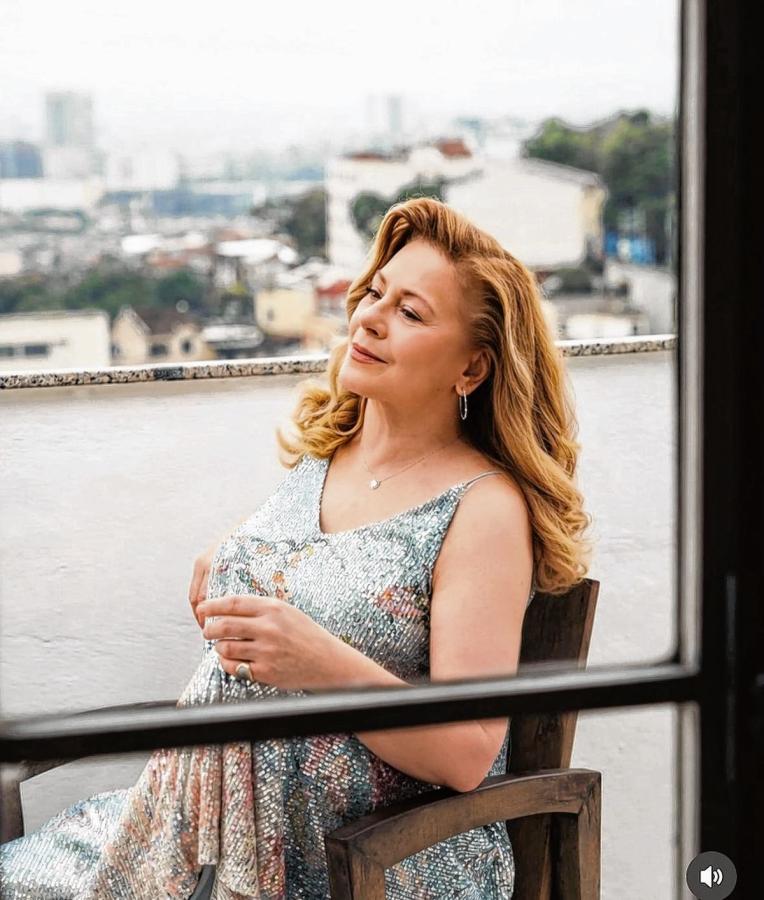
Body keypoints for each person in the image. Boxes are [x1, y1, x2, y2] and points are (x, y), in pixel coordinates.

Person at [0, 197, 592, 899]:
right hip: (209, 834)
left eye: (410, 312)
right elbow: (319, 567)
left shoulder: (482, 508)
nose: (370, 316)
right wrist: (233, 553)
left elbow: (467, 752)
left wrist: (319, 663)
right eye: (376, 292)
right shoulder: (330, 452)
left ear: (472, 368)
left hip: (375, 861)